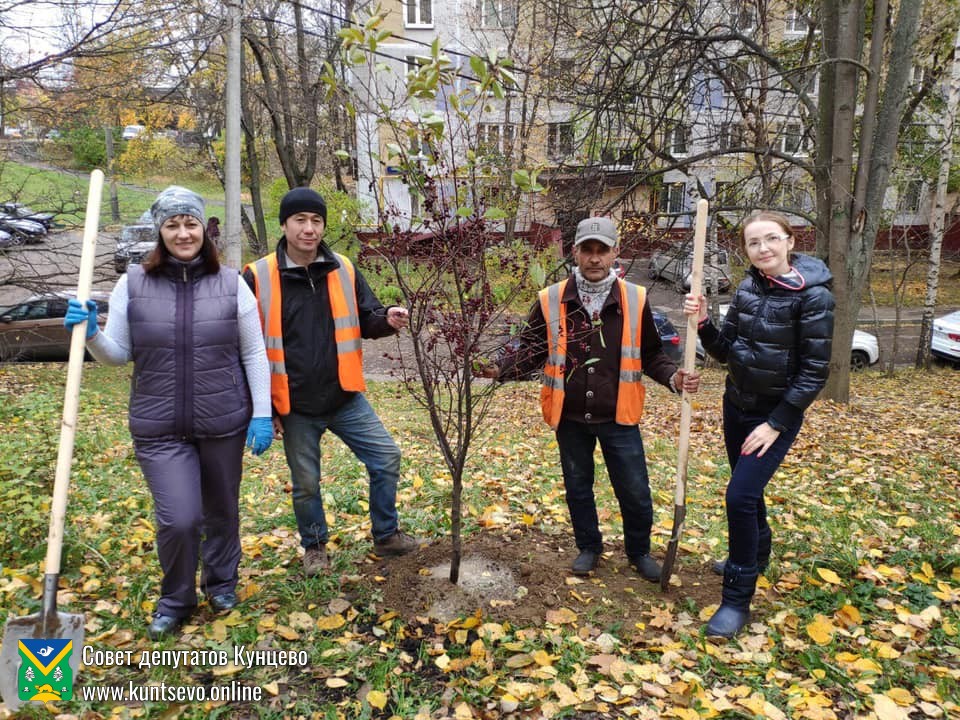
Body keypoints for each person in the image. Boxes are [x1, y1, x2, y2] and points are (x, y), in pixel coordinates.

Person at [64, 186, 274, 640]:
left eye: (191, 223)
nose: (183, 233)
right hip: (159, 427)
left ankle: (221, 585)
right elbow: (118, 354)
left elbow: (255, 353)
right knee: (180, 519)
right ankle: (176, 599)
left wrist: (261, 412)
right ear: (160, 231)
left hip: (223, 420)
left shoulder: (230, 282)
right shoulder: (133, 283)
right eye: (173, 225)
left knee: (222, 510)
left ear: (205, 228)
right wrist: (92, 332)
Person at [482, 216, 700, 580]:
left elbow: (651, 355)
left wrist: (674, 378)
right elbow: (532, 350)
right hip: (570, 416)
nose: (595, 258)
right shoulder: (552, 299)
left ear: (615, 253)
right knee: (578, 488)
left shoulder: (635, 298)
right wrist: (499, 369)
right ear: (575, 252)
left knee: (634, 491)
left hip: (620, 415)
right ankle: (589, 546)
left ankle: (638, 551)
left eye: (602, 250)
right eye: (588, 250)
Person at [242, 187, 419, 576]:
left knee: (386, 458)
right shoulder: (256, 276)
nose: (309, 229)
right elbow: (247, 350)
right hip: (295, 406)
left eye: (316, 221)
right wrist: (263, 408)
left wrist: (386, 319)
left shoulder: (344, 268)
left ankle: (386, 535)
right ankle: (315, 547)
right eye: (300, 220)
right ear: (285, 224)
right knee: (306, 483)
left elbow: (367, 317)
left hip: (344, 398)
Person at [683, 210, 834, 638]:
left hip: (774, 417)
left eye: (771, 239)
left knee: (740, 496)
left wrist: (775, 424)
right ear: (746, 250)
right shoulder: (749, 286)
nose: (763, 248)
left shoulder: (814, 296)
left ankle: (736, 598)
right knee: (748, 491)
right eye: (753, 242)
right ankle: (758, 552)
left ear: (789, 241)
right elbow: (727, 350)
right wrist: (703, 324)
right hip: (736, 406)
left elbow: (814, 372)